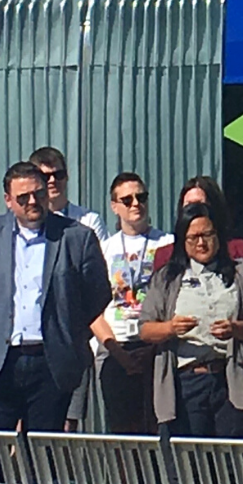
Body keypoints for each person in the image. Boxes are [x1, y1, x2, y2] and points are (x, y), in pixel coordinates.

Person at [0, 162, 111, 431]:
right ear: (8, 200)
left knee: (45, 460)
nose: (33, 202)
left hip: (51, 363)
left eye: (39, 194)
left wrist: (68, 333)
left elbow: (97, 296)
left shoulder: (77, 237)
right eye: (23, 197)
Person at [140, 202, 243, 437]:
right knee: (190, 462)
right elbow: (145, 330)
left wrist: (237, 329)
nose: (201, 243)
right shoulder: (168, 278)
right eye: (193, 237)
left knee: (231, 463)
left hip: (229, 379)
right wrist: (171, 328)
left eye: (207, 234)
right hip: (187, 382)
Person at [86, 172, 173, 433]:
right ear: (114, 206)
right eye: (127, 199)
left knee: (159, 427)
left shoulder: (168, 243)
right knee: (122, 430)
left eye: (141, 197)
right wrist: (118, 353)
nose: (136, 204)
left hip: (156, 347)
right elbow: (92, 309)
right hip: (116, 347)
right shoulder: (104, 248)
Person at [152, 176, 243, 270]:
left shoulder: (239, 251)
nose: (194, 210)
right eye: (188, 205)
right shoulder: (165, 255)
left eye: (200, 204)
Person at [29, 146, 107, 242]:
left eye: (59, 175)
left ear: (66, 176)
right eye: (46, 176)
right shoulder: (26, 223)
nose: (52, 180)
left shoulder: (90, 221)